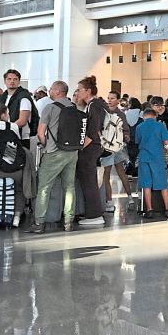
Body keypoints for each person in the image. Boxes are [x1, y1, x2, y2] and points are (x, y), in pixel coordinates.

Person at [29, 81, 83, 233]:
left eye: (52, 89)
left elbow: (41, 133)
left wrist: (46, 145)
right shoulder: (74, 107)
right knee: (69, 187)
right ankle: (68, 222)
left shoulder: (50, 108)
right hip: (72, 152)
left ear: (58, 91)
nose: (50, 91)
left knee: (44, 187)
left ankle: (39, 223)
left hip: (53, 152)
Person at [72, 76, 109, 226]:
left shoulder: (94, 105)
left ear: (88, 91)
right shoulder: (97, 104)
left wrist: (81, 147)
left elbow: (93, 131)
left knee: (89, 181)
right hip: (95, 148)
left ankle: (94, 215)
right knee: (89, 181)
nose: (78, 93)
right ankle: (92, 213)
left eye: (80, 90)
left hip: (90, 148)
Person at [135, 100, 168, 218]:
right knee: (162, 184)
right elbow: (166, 142)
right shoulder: (160, 125)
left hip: (144, 158)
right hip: (158, 158)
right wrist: (166, 154)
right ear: (155, 116)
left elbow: (137, 141)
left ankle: (150, 210)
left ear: (144, 116)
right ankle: (167, 209)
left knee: (146, 184)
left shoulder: (139, 127)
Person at [99, 90, 132, 215]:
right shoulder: (104, 113)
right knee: (107, 174)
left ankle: (129, 197)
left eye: (112, 98)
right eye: (108, 98)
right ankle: (109, 201)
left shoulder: (120, 114)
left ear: (118, 100)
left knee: (120, 172)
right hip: (107, 147)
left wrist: (125, 137)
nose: (109, 100)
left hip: (116, 147)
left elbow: (126, 130)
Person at [0, 69, 36, 149]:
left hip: (20, 138)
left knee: (18, 161)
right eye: (9, 79)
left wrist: (5, 131)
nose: (12, 81)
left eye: (15, 79)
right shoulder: (3, 97)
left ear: (19, 81)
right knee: (7, 160)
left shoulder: (24, 97)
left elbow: (22, 121)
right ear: (5, 81)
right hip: (6, 136)